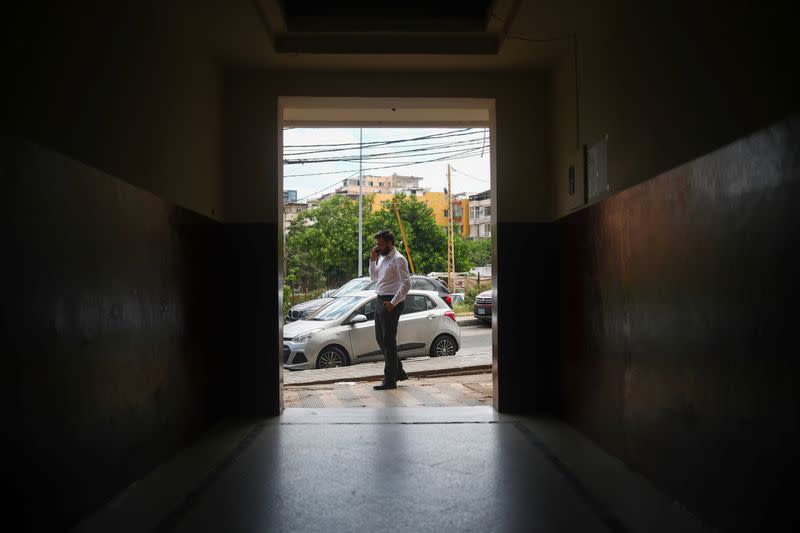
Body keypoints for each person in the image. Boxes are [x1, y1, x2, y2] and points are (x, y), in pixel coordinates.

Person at [369, 229, 411, 390]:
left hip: (392, 302)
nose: (378, 247)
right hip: (380, 299)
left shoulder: (399, 259)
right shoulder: (381, 258)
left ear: (390, 243)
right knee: (381, 339)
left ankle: (390, 379)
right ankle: (398, 371)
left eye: (381, 244)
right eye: (377, 244)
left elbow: (406, 284)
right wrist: (373, 260)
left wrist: (393, 302)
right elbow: (374, 278)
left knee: (388, 341)